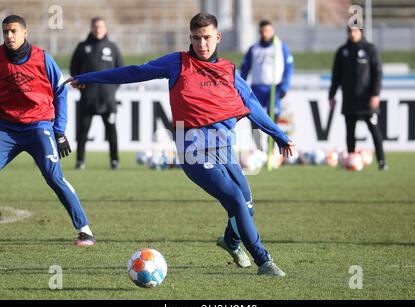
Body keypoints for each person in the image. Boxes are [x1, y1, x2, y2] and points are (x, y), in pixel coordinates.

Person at [65, 13, 294, 276]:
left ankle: (231, 242)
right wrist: (91, 77)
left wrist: (278, 135)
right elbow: (135, 72)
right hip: (193, 151)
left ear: (217, 37)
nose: (202, 44)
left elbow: (252, 105)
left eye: (207, 38)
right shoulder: (177, 63)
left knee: (247, 205)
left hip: (224, 148)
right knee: (235, 200)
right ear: (190, 38)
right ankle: (263, 261)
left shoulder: (229, 70)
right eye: (196, 38)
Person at [0, 15, 96, 246]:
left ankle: (85, 230)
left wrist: (59, 131)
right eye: (5, 32)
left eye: (13, 31)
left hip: (38, 126)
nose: (9, 36)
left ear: (25, 32)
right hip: (6, 127)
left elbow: (60, 92)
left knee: (54, 176)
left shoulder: (43, 58)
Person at [329, 26, 387, 170]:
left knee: (374, 130)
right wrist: (332, 95)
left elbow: (377, 74)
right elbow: (336, 76)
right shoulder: (342, 51)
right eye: (350, 31)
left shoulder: (370, 49)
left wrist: (375, 94)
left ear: (361, 31)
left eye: (355, 31)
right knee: (350, 131)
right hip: (349, 98)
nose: (352, 34)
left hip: (367, 99)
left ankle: (382, 162)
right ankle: (351, 160)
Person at [70, 17, 124, 170]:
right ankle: (80, 161)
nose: (98, 29)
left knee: (111, 131)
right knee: (82, 131)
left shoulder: (112, 47)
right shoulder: (82, 47)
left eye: (101, 27)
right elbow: (74, 70)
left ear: (105, 29)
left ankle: (114, 161)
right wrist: (82, 87)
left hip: (108, 99)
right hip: (88, 98)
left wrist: (112, 89)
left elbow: (121, 71)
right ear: (91, 28)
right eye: (95, 27)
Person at [240, 20, 294, 122]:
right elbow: (244, 69)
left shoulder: (281, 47)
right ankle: (256, 138)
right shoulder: (254, 49)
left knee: (273, 118)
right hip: (257, 88)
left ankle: (272, 138)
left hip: (274, 88)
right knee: (254, 118)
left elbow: (288, 68)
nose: (265, 34)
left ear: (272, 31)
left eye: (268, 31)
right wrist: (242, 88)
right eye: (263, 31)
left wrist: (285, 87)